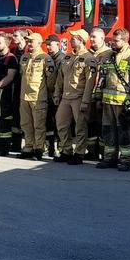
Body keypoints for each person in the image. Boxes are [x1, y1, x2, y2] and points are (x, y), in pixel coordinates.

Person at [96, 29, 130, 171]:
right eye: (113, 40)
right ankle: (109, 158)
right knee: (108, 130)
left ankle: (126, 160)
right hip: (107, 102)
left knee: (124, 131)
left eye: (116, 40)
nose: (113, 43)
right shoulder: (109, 56)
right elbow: (102, 78)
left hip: (123, 102)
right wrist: (98, 96)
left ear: (125, 41)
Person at [53, 29, 93, 165]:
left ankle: (80, 153)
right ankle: (66, 150)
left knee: (80, 126)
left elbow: (90, 82)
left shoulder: (89, 58)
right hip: (65, 97)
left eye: (73, 38)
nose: (70, 40)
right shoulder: (67, 57)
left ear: (81, 40)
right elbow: (60, 78)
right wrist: (57, 94)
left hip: (79, 97)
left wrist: (86, 101)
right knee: (61, 123)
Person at [16, 32, 53, 160]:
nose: (29, 43)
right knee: (26, 124)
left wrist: (46, 93)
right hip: (24, 96)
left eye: (32, 41)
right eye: (28, 41)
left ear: (39, 42)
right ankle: (28, 147)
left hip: (38, 97)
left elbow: (51, 79)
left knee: (39, 125)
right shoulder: (24, 57)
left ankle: (38, 149)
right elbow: (22, 75)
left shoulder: (45, 58)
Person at [84, 29, 112, 161]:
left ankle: (103, 152)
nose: (92, 39)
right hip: (88, 95)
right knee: (90, 124)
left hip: (102, 96)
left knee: (102, 125)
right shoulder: (87, 54)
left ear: (103, 38)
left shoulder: (109, 54)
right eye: (91, 37)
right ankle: (91, 152)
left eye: (95, 37)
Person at [44, 34, 65, 159]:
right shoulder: (48, 58)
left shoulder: (62, 59)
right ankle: (50, 148)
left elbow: (60, 79)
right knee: (49, 124)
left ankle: (61, 149)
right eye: (46, 45)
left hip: (58, 96)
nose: (47, 47)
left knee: (60, 124)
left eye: (50, 44)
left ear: (58, 44)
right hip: (48, 95)